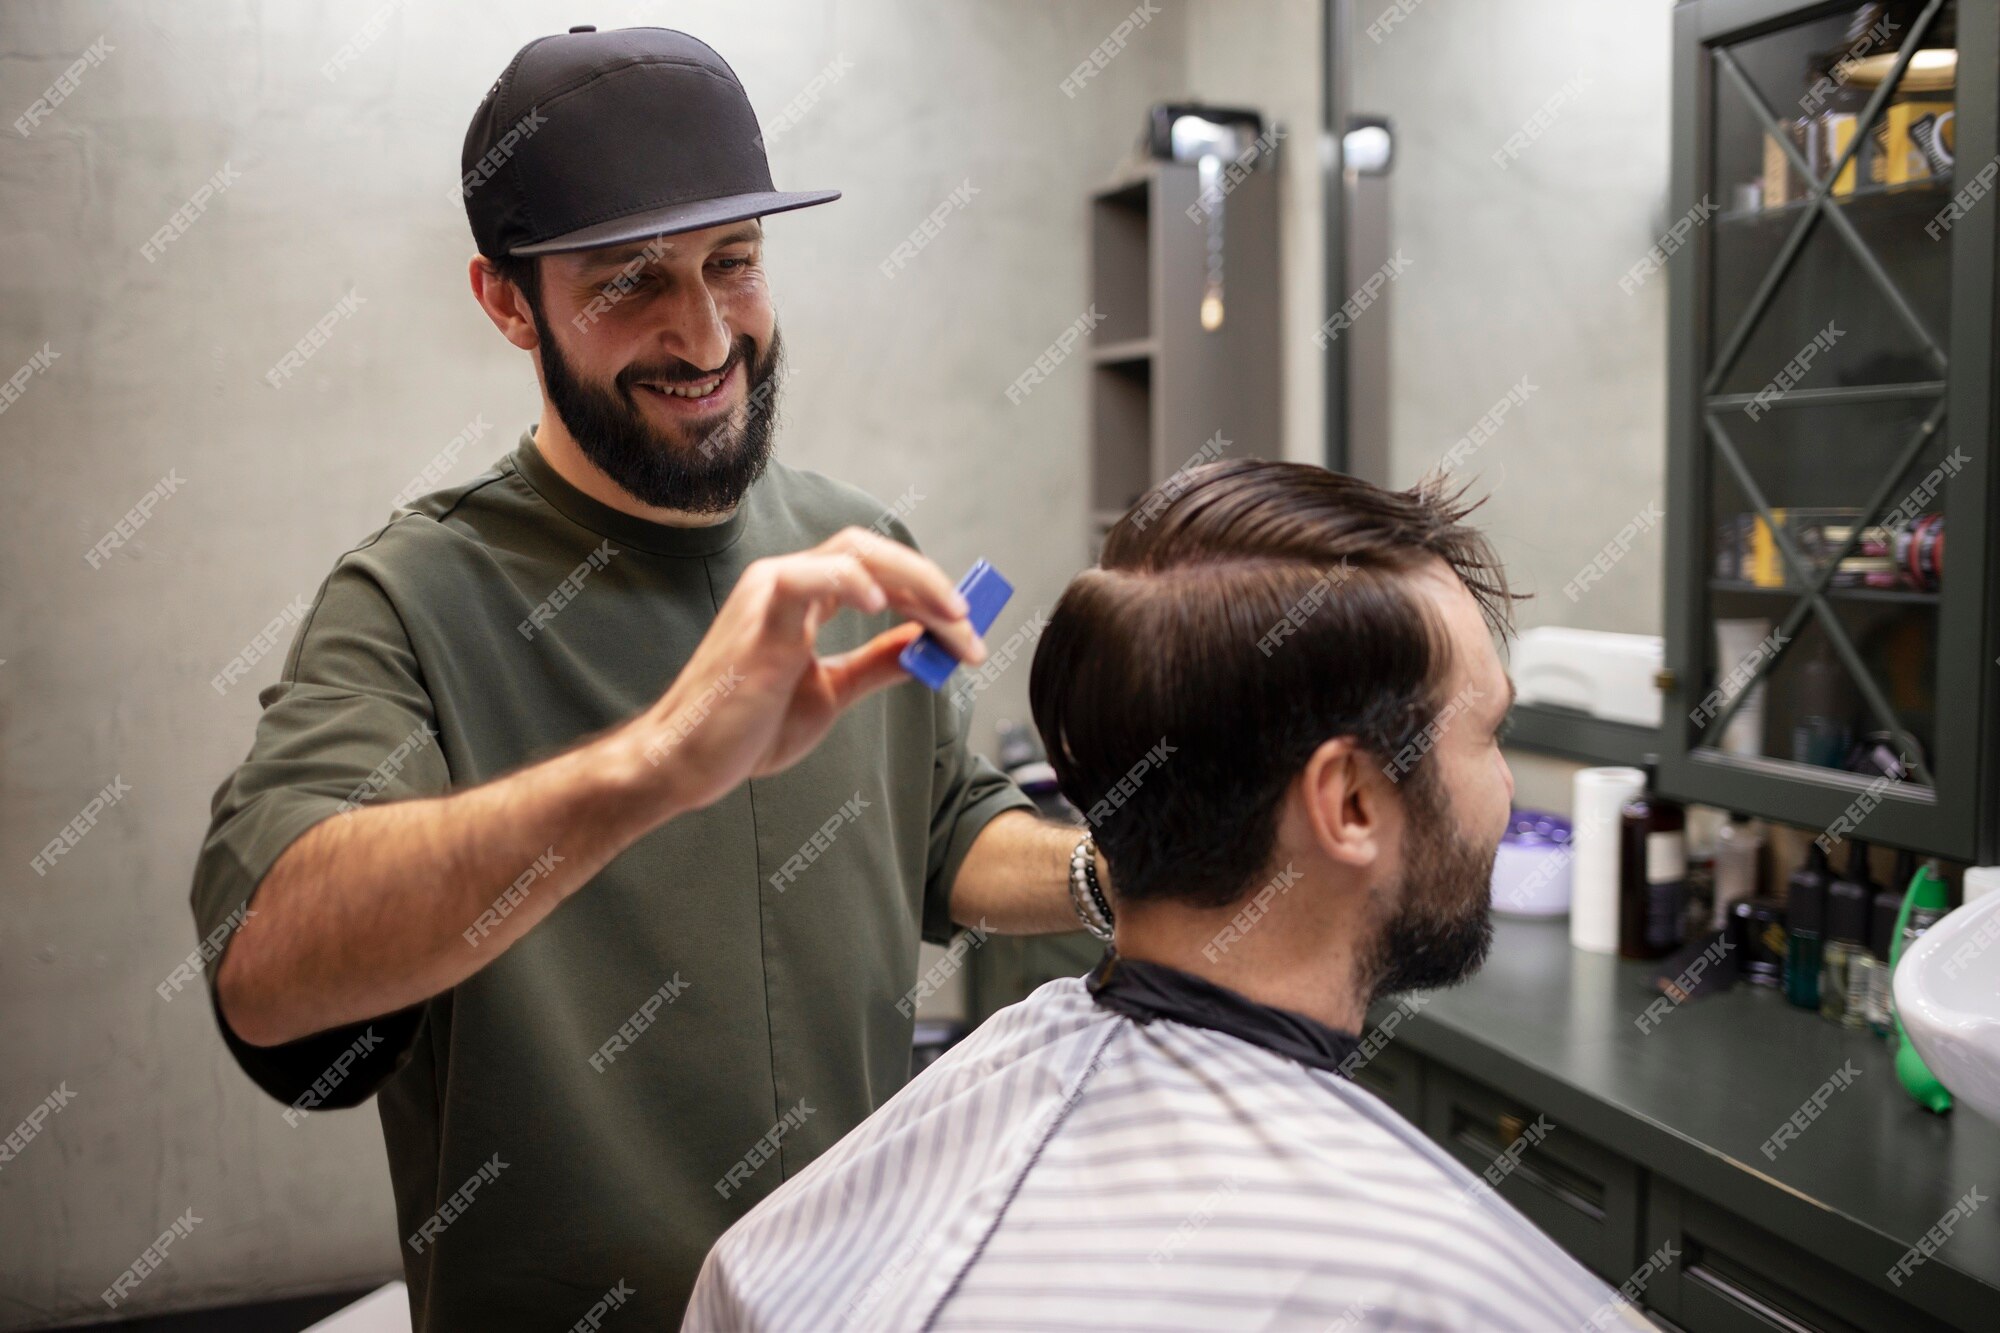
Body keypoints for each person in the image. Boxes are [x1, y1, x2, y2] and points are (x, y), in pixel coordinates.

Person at [187, 27, 1100, 1329]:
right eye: (632, 284)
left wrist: (1106, 877)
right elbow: (267, 966)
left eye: (735, 261)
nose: (706, 331)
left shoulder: (856, 546)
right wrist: (657, 763)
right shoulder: (410, 599)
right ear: (508, 302)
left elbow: (944, 824)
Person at [685, 458, 1653, 1331]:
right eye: (1486, 734)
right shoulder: (1433, 1278)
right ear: (1349, 800)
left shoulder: (777, 1247)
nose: (1506, 789)